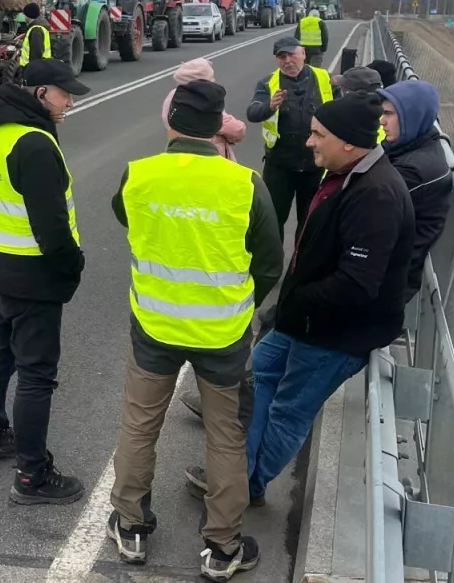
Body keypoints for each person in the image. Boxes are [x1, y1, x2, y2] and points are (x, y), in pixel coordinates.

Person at [108, 81, 283, 577]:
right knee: (225, 436)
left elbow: (128, 218)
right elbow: (270, 262)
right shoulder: (244, 184)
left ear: (172, 122)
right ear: (216, 127)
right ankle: (223, 547)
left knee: (140, 424)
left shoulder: (138, 175)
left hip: (154, 326)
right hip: (223, 334)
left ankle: (130, 526)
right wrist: (242, 304)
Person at [240, 92, 414, 506]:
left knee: (290, 410)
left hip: (335, 333)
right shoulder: (346, 171)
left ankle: (246, 487)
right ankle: (238, 472)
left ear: (349, 142)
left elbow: (356, 284)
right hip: (305, 318)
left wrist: (297, 303)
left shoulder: (375, 195)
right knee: (262, 368)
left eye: (318, 134)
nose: (309, 141)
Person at [0, 58, 90, 505]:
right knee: (37, 375)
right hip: (31, 275)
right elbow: (52, 228)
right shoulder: (36, 144)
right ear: (41, 93)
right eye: (64, 94)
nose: (70, 102)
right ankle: (32, 475)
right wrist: (72, 266)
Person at [246, 37, 339, 241]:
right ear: (276, 60)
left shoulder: (324, 78)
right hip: (280, 165)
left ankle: (299, 269)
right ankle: (272, 270)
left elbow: (343, 108)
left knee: (310, 223)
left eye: (292, 54)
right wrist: (269, 106)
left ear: (303, 53)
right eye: (282, 56)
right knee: (271, 222)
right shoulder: (267, 83)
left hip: (316, 165)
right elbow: (252, 113)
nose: (288, 60)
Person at [378, 79, 452, 304]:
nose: (382, 121)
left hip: (383, 286)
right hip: (384, 274)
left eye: (389, 114)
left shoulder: (413, 170)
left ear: (411, 116)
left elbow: (362, 209)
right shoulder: (413, 146)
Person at [159, 58, 246, 160]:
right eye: (212, 78)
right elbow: (235, 130)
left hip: (177, 153)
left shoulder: (173, 97)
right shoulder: (205, 100)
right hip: (209, 156)